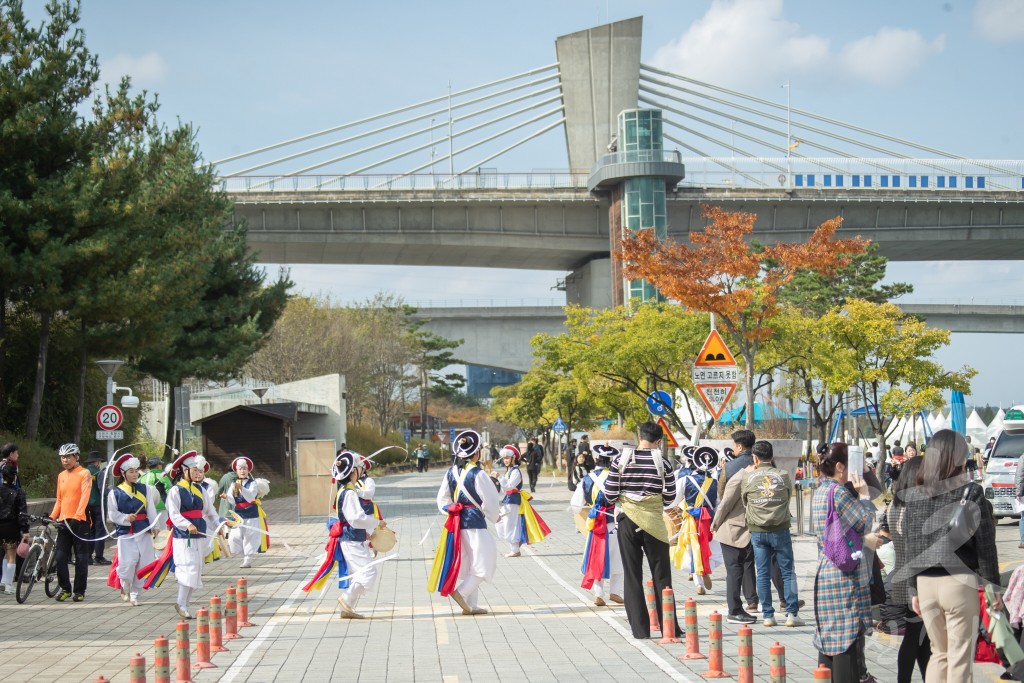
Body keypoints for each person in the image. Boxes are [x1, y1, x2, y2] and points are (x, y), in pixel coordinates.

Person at [901, 429, 1001, 683]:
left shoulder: (917, 494)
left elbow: (910, 544)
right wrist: (993, 590)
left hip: (925, 584)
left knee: (939, 653)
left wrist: (913, 589)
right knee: (959, 656)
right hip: (958, 582)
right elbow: (986, 547)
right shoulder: (971, 492)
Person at [603, 421, 680, 640]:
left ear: (639, 436)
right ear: (659, 441)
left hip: (627, 521)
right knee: (662, 575)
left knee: (633, 575)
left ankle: (640, 630)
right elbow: (670, 497)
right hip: (655, 523)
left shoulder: (620, 460)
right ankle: (669, 627)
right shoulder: (663, 463)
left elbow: (609, 493)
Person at [811, 442, 877, 683]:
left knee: (829, 640)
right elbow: (865, 522)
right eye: (850, 465)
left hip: (825, 569)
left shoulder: (820, 490)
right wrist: (865, 496)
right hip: (843, 574)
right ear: (840, 466)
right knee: (846, 642)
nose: (853, 471)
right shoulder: (839, 493)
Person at [428, 429, 500, 615]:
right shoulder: (479, 474)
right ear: (476, 453)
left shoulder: (450, 472)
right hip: (475, 521)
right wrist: (495, 516)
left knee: (470, 562)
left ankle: (471, 604)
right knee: (485, 560)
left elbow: (442, 500)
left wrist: (449, 512)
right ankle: (461, 593)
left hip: (457, 522)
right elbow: (491, 500)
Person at [881, 456, 931, 683]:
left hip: (901, 574)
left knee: (921, 637)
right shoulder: (915, 505)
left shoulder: (896, 504)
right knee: (915, 636)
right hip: (914, 578)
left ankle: (926, 677)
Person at [742, 441, 802, 627]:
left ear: (755, 458)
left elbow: (745, 501)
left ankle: (768, 615)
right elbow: (787, 495)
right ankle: (792, 614)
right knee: (788, 573)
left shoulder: (748, 477)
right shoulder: (783, 475)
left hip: (757, 532)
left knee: (762, 573)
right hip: (780, 529)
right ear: (772, 457)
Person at [164, 451, 216, 619]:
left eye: (198, 470)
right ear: (183, 470)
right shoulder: (175, 491)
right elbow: (173, 514)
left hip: (199, 534)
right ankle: (181, 603)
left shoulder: (201, 489)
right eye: (193, 470)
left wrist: (219, 525)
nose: (197, 473)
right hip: (183, 536)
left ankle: (184, 604)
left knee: (196, 569)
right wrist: (187, 525)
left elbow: (210, 511)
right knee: (188, 567)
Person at [571, 443, 623, 606]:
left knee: (597, 556)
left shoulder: (587, 479)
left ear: (596, 459)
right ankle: (615, 592)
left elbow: (576, 505)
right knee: (619, 558)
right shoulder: (619, 477)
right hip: (615, 522)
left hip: (596, 524)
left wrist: (590, 505)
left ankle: (598, 593)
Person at [105, 453, 158, 607]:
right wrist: (125, 518)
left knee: (144, 563)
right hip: (126, 533)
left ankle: (135, 594)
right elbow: (112, 514)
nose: (135, 474)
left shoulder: (145, 489)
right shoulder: (115, 492)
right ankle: (125, 586)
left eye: (136, 471)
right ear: (123, 474)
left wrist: (155, 526)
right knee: (128, 563)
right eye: (131, 472)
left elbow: (151, 509)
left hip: (143, 530)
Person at [712, 455, 758, 624]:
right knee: (734, 572)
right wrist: (715, 524)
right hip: (731, 532)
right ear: (755, 461)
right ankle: (734, 610)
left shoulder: (749, 478)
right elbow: (725, 504)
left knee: (738, 570)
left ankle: (738, 608)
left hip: (742, 531)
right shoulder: (738, 479)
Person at [672, 445, 721, 596]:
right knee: (711, 550)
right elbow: (717, 504)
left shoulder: (685, 480)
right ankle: (705, 569)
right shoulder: (714, 482)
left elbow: (674, 501)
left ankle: (698, 582)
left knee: (693, 550)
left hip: (691, 520)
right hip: (708, 520)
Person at [721, 429, 758, 613]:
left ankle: (746, 601)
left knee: (738, 563)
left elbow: (723, 495)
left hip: (736, 520)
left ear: (740, 446)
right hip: (760, 520)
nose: (734, 449)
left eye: (735, 446)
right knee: (756, 561)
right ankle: (756, 599)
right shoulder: (762, 463)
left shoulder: (729, 467)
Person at [50, 443, 92, 602]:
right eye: (63, 457)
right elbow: (60, 499)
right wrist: (52, 517)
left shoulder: (85, 473)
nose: (65, 460)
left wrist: (78, 515)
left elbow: (85, 496)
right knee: (60, 557)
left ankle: (79, 591)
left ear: (76, 457)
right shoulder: (61, 475)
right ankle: (65, 588)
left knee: (81, 558)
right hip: (64, 522)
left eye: (68, 457)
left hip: (80, 522)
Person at [495, 444, 549, 558]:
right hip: (508, 500)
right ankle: (515, 546)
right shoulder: (509, 471)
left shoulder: (515, 471)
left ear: (513, 458)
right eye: (504, 458)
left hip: (514, 501)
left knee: (510, 525)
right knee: (502, 523)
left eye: (507, 458)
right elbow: (504, 489)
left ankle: (515, 549)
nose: (505, 460)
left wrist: (499, 477)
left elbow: (509, 486)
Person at [224, 456, 264, 569]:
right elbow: (233, 500)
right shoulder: (234, 484)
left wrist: (241, 487)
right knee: (234, 537)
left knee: (250, 536)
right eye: (240, 469)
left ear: (248, 470)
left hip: (251, 512)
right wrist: (226, 497)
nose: (242, 471)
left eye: (244, 469)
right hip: (238, 514)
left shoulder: (253, 483)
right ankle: (244, 555)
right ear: (236, 471)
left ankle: (248, 559)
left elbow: (250, 497)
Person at [0, 462, 28, 594]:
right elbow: (22, 514)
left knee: (5, 552)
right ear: (15, 477)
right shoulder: (18, 492)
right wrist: (26, 530)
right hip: (11, 526)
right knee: (11, 554)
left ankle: (4, 580)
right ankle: (9, 585)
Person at [84, 451, 111, 566]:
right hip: (98, 505)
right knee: (100, 531)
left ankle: (88, 556)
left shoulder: (83, 472)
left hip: (86, 504)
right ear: (98, 462)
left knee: (91, 530)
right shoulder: (99, 473)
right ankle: (99, 556)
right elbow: (102, 490)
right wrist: (109, 490)